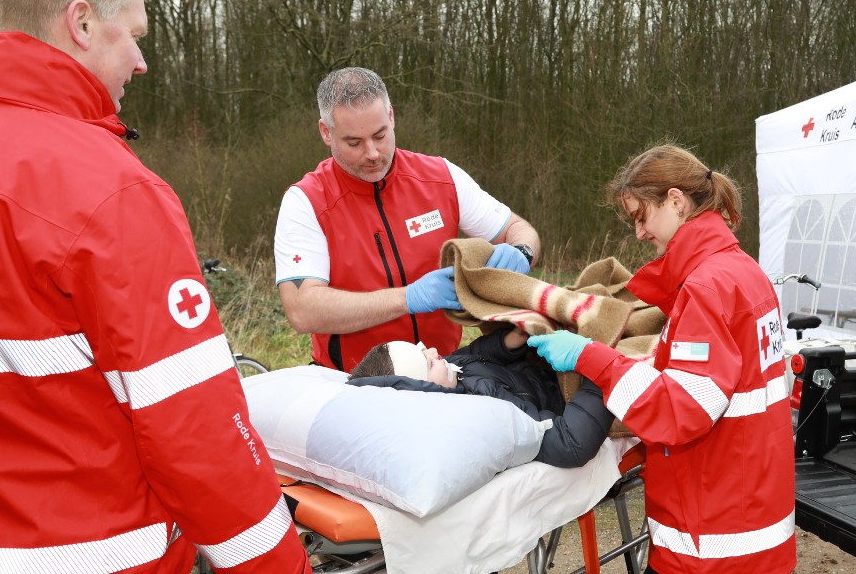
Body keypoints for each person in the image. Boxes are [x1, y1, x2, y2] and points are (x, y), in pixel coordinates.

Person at [0, 0, 310, 572]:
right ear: (82, 23)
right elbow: (194, 428)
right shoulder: (110, 190)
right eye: (134, 35)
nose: (141, 62)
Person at [527, 145, 796, 574]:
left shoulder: (706, 288)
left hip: (711, 544)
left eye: (641, 216)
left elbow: (681, 408)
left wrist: (590, 356)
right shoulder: (745, 272)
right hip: (752, 522)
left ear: (675, 200)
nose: (639, 233)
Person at [274, 67, 541, 372]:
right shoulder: (306, 202)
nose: (372, 153)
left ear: (391, 116)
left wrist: (522, 252)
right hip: (353, 382)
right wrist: (408, 298)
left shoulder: (441, 177)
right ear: (326, 132)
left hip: (442, 373)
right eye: (354, 143)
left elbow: (518, 228)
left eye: (380, 136)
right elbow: (302, 310)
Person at [347, 327, 615, 468]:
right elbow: (569, 444)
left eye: (422, 348)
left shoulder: (449, 371)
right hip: (571, 401)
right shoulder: (482, 415)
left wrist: (509, 341)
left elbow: (476, 353)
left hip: (542, 371)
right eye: (427, 362)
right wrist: (601, 369)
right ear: (426, 395)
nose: (434, 351)